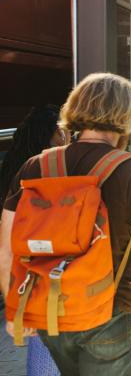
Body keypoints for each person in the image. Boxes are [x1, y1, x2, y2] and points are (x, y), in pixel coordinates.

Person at [1, 72, 131, 375]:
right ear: (126, 117)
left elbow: (8, 247)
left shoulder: (37, 165)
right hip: (112, 311)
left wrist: (17, 306)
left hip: (50, 308)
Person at [0, 105, 64, 376]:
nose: (64, 135)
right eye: (60, 130)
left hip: (19, 257)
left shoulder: (12, 164)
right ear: (49, 135)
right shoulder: (44, 169)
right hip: (39, 260)